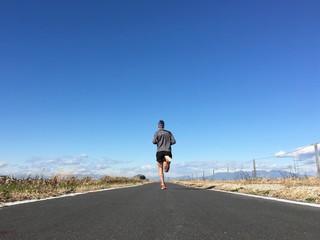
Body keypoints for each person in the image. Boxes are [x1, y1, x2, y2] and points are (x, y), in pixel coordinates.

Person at [152, 120, 176, 190]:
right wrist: (168, 143)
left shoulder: (156, 133)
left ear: (158, 126)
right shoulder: (169, 133)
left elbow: (153, 141)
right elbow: (174, 141)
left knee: (160, 168)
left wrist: (158, 142)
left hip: (159, 151)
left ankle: (163, 184)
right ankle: (167, 164)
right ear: (164, 125)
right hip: (167, 151)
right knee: (166, 170)